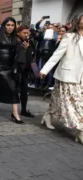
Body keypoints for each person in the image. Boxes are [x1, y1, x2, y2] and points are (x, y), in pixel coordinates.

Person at [40, 14, 83, 142]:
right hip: (68, 76)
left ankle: (48, 116)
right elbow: (57, 55)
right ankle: (81, 132)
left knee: (58, 100)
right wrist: (44, 69)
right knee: (76, 105)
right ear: (78, 21)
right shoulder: (69, 37)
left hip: (81, 77)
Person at [0, 17, 24, 124]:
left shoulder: (15, 37)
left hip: (9, 66)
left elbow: (18, 50)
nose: (10, 27)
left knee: (13, 88)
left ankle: (15, 113)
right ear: (4, 25)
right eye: (8, 25)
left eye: (12, 25)